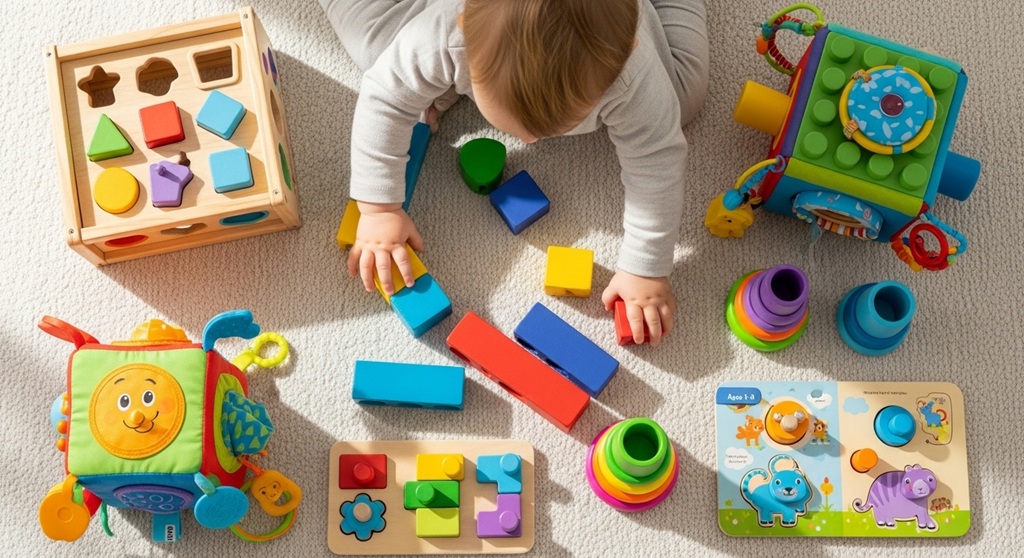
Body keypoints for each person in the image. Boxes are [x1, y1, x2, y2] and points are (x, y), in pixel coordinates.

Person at [320, 0, 708, 346]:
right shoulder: (444, 32)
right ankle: (442, 82)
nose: (529, 140)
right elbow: (385, 96)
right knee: (378, 50)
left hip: (608, 34)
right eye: (518, 124)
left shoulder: (629, 70)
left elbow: (657, 159)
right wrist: (378, 208)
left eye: (549, 128)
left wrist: (646, 268)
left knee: (679, 101)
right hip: (463, 31)